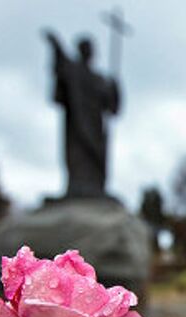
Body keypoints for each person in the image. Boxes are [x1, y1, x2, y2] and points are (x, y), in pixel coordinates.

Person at [44, 30, 120, 198]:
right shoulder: (74, 71)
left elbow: (111, 107)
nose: (89, 52)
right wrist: (55, 45)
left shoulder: (99, 79)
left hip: (95, 126)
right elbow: (62, 66)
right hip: (77, 124)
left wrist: (115, 88)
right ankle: (76, 186)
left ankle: (96, 187)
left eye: (91, 49)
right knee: (77, 154)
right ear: (80, 50)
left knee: (94, 156)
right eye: (86, 48)